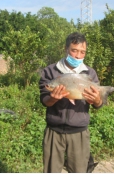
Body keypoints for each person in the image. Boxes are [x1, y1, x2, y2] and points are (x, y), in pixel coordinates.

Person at [39, 32, 103, 173]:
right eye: (74, 50)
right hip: (54, 131)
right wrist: (53, 98)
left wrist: (97, 100)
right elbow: (44, 100)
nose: (78, 56)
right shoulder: (50, 71)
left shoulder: (89, 73)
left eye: (82, 52)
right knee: (51, 170)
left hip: (79, 132)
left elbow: (98, 104)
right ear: (66, 49)